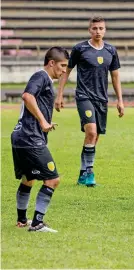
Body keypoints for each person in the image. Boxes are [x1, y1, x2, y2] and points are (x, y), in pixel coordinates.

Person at [55, 16, 124, 187]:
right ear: (89, 30)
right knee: (91, 132)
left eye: (101, 28)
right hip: (84, 96)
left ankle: (83, 174)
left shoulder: (111, 50)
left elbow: (115, 77)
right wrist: (59, 95)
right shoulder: (80, 48)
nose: (98, 31)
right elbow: (66, 72)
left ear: (105, 30)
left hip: (102, 99)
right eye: (95, 28)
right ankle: (90, 174)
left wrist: (120, 101)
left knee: (93, 138)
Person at [12, 47, 69, 232]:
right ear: (51, 63)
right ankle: (37, 223)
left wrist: (44, 120)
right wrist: (43, 121)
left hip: (21, 136)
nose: (64, 70)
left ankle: (22, 220)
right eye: (62, 65)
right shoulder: (41, 76)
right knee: (53, 180)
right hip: (30, 138)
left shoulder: (45, 79)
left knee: (29, 178)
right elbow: (27, 96)